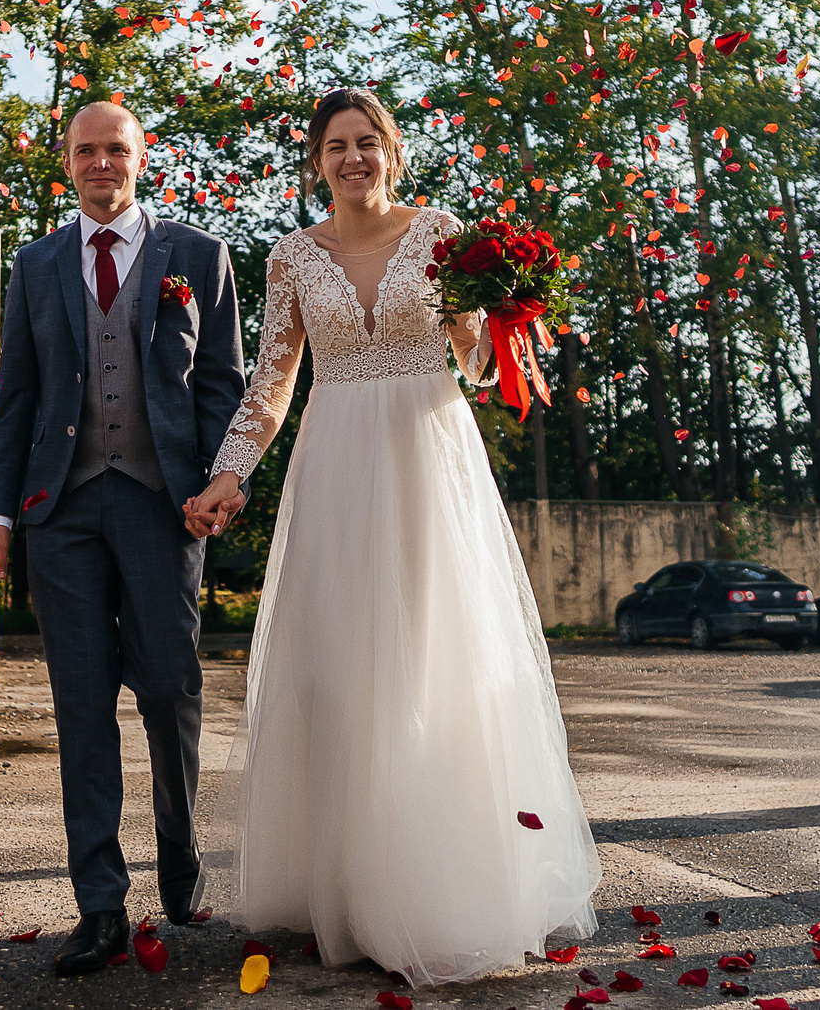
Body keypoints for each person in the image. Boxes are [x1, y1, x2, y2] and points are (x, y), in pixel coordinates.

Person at [183, 89, 601, 986]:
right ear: (316, 161)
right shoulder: (294, 257)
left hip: (427, 458)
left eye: (367, 143)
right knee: (339, 672)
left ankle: (439, 889)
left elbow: (479, 367)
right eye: (336, 146)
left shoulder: (443, 234)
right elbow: (272, 380)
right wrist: (230, 470)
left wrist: (497, 309)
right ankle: (352, 888)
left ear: (393, 151)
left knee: (434, 663)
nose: (353, 158)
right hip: (335, 465)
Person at [0, 100, 248, 977]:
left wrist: (214, 482)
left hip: (163, 504)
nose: (101, 163)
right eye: (85, 150)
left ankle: (180, 854)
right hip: (62, 510)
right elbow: (16, 397)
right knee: (82, 706)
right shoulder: (36, 261)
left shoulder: (198, 256)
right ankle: (100, 905)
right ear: (68, 161)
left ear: (140, 157)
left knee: (169, 687)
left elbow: (223, 382)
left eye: (115, 149)